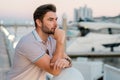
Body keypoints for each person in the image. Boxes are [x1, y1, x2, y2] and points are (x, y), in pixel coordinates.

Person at [7, 4, 72, 80]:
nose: (56, 24)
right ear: (39, 23)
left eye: (56, 19)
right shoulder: (29, 43)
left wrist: (67, 62)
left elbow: (67, 59)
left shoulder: (51, 40)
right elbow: (55, 71)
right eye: (51, 20)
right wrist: (60, 41)